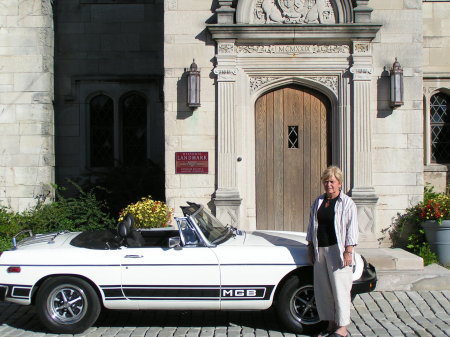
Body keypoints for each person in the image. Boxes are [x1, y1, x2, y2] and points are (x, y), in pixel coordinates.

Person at [306, 166, 358, 337]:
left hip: (338, 250)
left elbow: (352, 228)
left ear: (340, 184)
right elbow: (311, 225)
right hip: (320, 249)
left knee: (340, 289)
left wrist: (348, 251)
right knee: (324, 290)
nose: (328, 185)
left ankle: (342, 328)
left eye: (332, 182)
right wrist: (310, 247)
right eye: (326, 181)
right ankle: (330, 324)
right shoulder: (319, 201)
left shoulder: (347, 203)